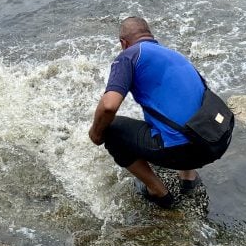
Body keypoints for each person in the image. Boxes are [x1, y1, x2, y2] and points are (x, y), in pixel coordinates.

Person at [89, 16, 230, 208]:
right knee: (177, 109)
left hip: (186, 151)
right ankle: (188, 178)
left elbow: (109, 106)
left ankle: (158, 191)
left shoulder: (129, 55)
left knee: (111, 129)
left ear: (123, 43)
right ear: (151, 37)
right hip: (216, 140)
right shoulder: (174, 55)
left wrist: (96, 133)